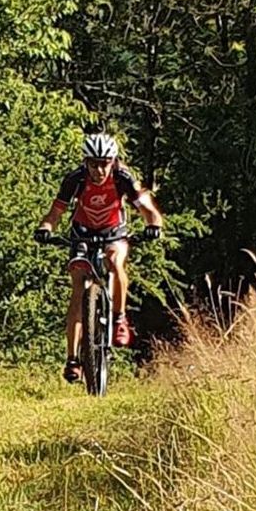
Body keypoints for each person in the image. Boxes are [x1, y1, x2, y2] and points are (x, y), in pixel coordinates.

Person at [33, 131, 164, 384]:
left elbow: (147, 209)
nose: (99, 170)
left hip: (114, 232)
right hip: (81, 233)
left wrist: (154, 225)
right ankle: (72, 358)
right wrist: (45, 229)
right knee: (78, 284)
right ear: (86, 162)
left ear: (113, 161)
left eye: (104, 163)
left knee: (115, 261)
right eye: (93, 163)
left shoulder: (123, 177)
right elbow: (55, 212)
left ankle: (120, 318)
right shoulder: (75, 179)